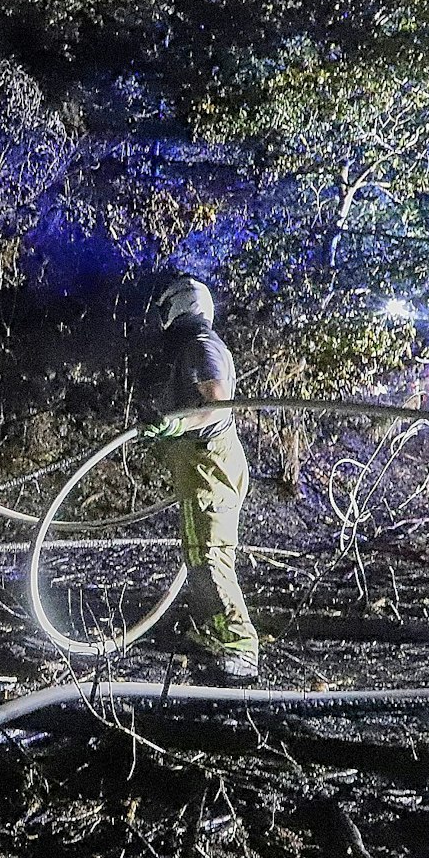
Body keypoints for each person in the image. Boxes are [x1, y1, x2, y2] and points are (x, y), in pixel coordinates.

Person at [134, 275, 258, 681]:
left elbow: (219, 405)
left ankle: (240, 649)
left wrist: (174, 425)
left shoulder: (201, 347)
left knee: (209, 555)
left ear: (181, 305)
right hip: (204, 462)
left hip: (211, 462)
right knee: (198, 553)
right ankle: (213, 632)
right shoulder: (194, 346)